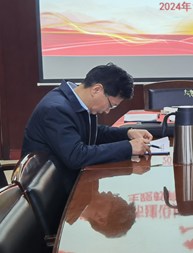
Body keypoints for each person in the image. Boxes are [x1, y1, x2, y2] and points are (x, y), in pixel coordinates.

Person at [22, 63, 152, 191]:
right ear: (96, 89)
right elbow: (76, 156)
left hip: (71, 179)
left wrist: (127, 133)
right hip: (54, 190)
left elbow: (92, 132)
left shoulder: (77, 101)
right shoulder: (56, 109)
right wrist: (128, 147)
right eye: (111, 105)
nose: (107, 111)